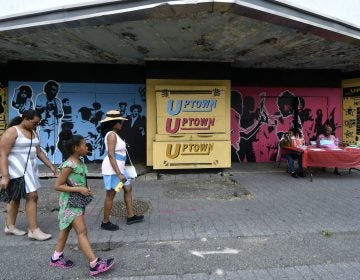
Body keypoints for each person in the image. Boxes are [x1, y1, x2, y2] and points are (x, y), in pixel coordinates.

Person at [50, 129, 115, 276]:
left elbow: (76, 180)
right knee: (82, 232)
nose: (87, 147)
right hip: (70, 204)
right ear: (75, 148)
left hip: (76, 202)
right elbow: (57, 186)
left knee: (66, 229)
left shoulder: (80, 161)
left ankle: (56, 257)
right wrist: (80, 189)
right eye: (84, 145)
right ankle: (94, 264)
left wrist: (84, 187)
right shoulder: (69, 165)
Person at [0, 109, 57, 240]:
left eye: (37, 124)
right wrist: (5, 176)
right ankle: (33, 230)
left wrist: (51, 166)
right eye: (34, 123)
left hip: (29, 169)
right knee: (32, 196)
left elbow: (39, 152)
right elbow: (3, 154)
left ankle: (10, 226)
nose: (36, 126)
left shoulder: (33, 132)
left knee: (15, 197)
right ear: (25, 118)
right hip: (16, 170)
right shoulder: (12, 131)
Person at [100, 110, 144, 231]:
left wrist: (122, 170)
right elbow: (110, 154)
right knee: (111, 194)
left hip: (120, 169)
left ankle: (131, 216)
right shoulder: (112, 135)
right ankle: (105, 222)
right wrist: (119, 173)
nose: (122, 124)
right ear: (114, 123)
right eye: (120, 122)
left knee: (128, 189)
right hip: (113, 170)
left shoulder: (114, 133)